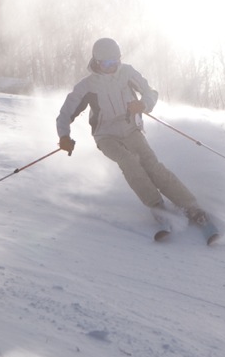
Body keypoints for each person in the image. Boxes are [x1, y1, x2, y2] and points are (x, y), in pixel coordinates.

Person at [56, 37, 209, 229]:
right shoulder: (87, 86)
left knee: (152, 166)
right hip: (106, 136)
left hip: (131, 129)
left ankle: (190, 205)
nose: (112, 67)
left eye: (115, 61)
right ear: (96, 62)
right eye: (106, 63)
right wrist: (64, 136)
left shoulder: (127, 73)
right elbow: (65, 114)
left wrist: (143, 104)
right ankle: (157, 206)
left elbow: (150, 92)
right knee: (128, 161)